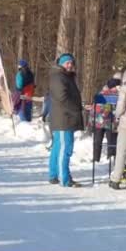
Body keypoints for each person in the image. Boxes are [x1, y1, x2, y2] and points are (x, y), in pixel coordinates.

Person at [48, 53, 83, 187]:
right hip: (64, 118)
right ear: (61, 63)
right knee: (65, 148)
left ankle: (53, 174)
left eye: (71, 62)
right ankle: (65, 178)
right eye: (66, 62)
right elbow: (62, 97)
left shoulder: (65, 76)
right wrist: (77, 107)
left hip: (64, 117)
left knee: (58, 147)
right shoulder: (58, 77)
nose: (69, 65)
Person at [90, 72, 121, 163]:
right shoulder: (116, 95)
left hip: (97, 121)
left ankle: (96, 158)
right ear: (115, 86)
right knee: (111, 140)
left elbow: (94, 108)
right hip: (110, 121)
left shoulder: (100, 94)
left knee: (97, 141)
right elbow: (114, 109)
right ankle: (111, 156)